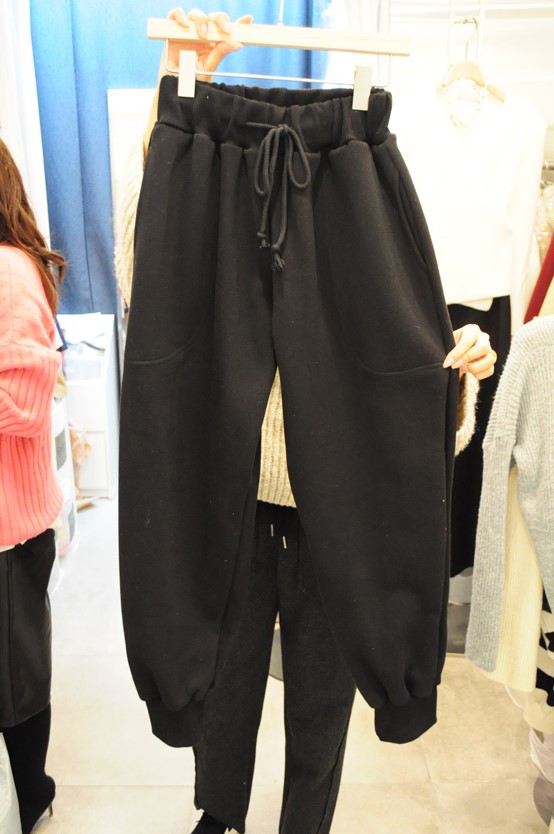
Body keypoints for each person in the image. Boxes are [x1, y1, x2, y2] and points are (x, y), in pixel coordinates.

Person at [116, 10, 497, 834]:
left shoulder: (362, 199)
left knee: (321, 708)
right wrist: (175, 94)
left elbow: (412, 420)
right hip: (236, 512)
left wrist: (455, 377)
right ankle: (218, 817)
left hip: (334, 523)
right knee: (224, 693)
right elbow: (145, 265)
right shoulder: (199, 201)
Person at [0, 138, 65, 834]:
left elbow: (22, 405)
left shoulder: (10, 272)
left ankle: (31, 797)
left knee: (16, 684)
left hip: (9, 529)